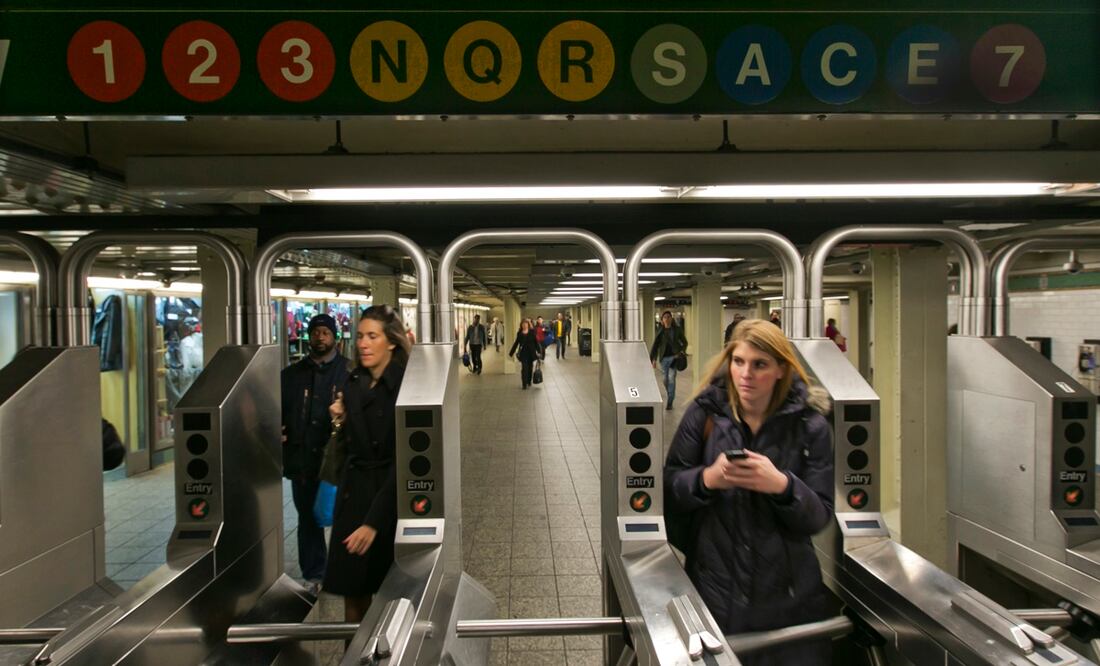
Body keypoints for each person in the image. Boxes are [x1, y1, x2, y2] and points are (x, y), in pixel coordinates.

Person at [664, 320, 834, 666]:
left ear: (781, 369)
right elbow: (671, 486)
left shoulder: (810, 426)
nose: (746, 374)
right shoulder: (705, 414)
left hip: (788, 600)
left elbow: (819, 515)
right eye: (738, 361)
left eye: (760, 364)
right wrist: (707, 479)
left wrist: (783, 486)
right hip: (715, 588)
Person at [325, 305, 411, 623]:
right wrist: (340, 421)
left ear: (390, 342)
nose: (362, 343)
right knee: (353, 595)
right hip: (353, 499)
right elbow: (349, 449)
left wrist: (374, 522)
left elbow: (404, 461)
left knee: (392, 597)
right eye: (360, 336)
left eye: (372, 336)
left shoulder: (406, 387)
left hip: (387, 502)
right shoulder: (353, 382)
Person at [281, 313, 350, 591]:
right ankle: (314, 573)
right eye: (316, 332)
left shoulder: (348, 373)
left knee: (344, 515)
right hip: (303, 460)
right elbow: (278, 411)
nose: (320, 337)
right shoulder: (291, 376)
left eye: (325, 332)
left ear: (335, 337)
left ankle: (342, 567)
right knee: (308, 516)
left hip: (338, 458)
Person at [650, 310, 687, 410]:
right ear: (662, 320)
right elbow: (655, 345)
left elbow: (685, 342)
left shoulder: (677, 330)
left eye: (669, 317)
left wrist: (681, 352)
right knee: (665, 380)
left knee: (671, 379)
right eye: (665, 317)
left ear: (671, 318)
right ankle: (670, 392)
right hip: (663, 359)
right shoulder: (660, 331)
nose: (667, 319)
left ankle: (670, 402)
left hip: (674, 358)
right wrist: (653, 359)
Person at [509, 318, 542, 389]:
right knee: (524, 368)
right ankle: (524, 383)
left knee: (530, 368)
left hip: (531, 353)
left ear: (528, 325)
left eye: (526, 324)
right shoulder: (519, 333)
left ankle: (529, 381)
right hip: (523, 354)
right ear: (521, 325)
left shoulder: (532, 332)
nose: (524, 325)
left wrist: (539, 351)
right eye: (523, 324)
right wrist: (511, 353)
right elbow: (516, 343)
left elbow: (536, 343)